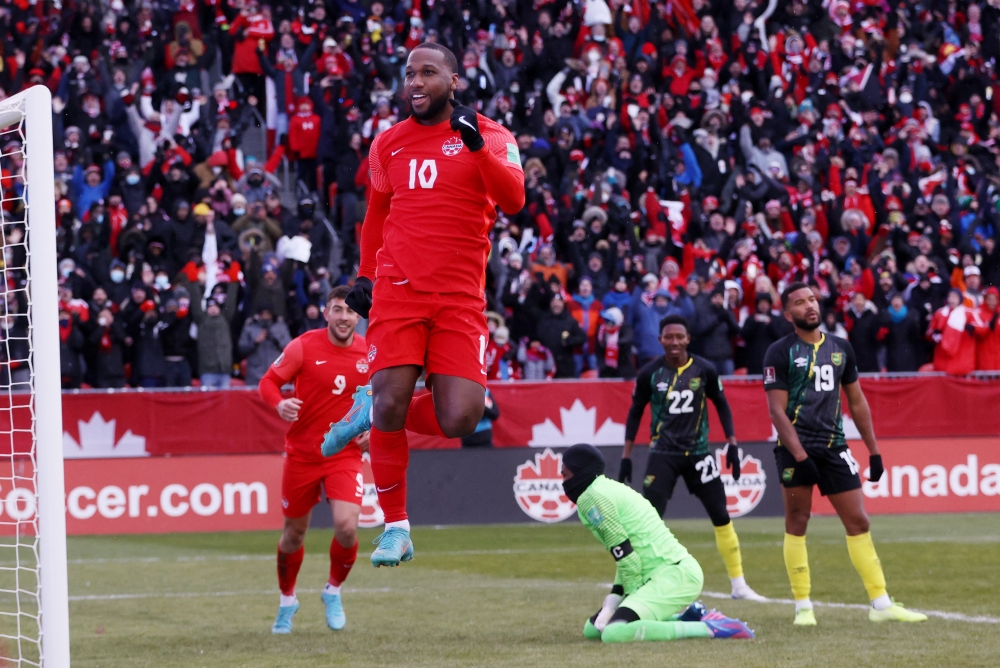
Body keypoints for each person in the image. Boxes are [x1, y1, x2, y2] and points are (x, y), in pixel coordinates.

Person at [322, 42, 525, 567]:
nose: (415, 82)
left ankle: (371, 412)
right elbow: (376, 216)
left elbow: (515, 200)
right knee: (392, 399)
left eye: (428, 73)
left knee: (462, 418)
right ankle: (396, 526)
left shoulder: (494, 135)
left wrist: (477, 147)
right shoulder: (388, 143)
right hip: (399, 290)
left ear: (454, 80)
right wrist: (365, 276)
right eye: (409, 73)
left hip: (461, 298)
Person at [763, 283, 927, 626]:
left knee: (859, 521)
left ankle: (880, 605)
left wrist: (874, 451)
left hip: (835, 446)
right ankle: (803, 607)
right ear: (788, 313)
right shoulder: (779, 352)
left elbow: (857, 401)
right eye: (799, 302)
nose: (809, 306)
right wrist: (800, 456)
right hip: (796, 450)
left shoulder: (841, 348)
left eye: (811, 299)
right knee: (797, 522)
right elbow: (777, 412)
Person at [618, 315, 764, 601]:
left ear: (688, 339)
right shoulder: (649, 373)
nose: (674, 342)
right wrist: (626, 456)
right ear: (660, 339)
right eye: (668, 337)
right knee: (649, 521)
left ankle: (739, 586)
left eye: (679, 337)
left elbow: (721, 403)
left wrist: (732, 444)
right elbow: (635, 412)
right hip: (663, 454)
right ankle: (637, 583)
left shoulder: (704, 369)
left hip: (699, 454)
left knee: (722, 516)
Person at [257, 286, 370, 634]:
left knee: (348, 527)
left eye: (350, 311)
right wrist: (279, 403)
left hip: (345, 454)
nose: (343, 317)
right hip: (303, 455)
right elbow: (268, 382)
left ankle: (332, 591)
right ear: (326, 313)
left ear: (358, 316)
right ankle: (287, 600)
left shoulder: (371, 352)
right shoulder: (303, 346)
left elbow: (385, 397)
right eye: (337, 309)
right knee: (294, 534)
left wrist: (375, 429)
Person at [562, 444, 754, 643]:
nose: (563, 482)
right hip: (666, 574)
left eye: (565, 475)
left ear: (580, 471)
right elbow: (625, 555)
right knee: (592, 630)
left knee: (614, 632)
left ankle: (710, 628)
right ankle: (689, 617)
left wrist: (618, 604)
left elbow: (628, 560)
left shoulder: (592, 497)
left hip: (673, 575)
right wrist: (613, 601)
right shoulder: (603, 489)